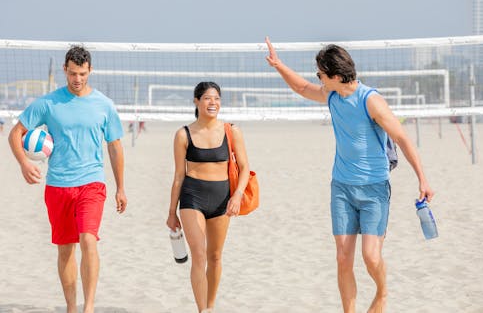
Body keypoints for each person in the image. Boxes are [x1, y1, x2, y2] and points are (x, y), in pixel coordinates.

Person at [265, 37, 434, 313]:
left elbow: (402, 138)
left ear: (335, 75)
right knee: (343, 259)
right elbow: (301, 87)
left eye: (320, 73)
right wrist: (278, 65)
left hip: (374, 189)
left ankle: (382, 292)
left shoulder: (371, 101)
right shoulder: (331, 94)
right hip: (341, 188)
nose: (317, 78)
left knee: (370, 257)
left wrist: (422, 179)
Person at [8, 45, 127, 313]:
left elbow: (115, 146)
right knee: (65, 251)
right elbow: (16, 134)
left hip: (92, 183)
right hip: (58, 186)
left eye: (83, 74)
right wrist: (24, 163)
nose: (77, 79)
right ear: (65, 70)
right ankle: (72, 307)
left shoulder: (104, 105)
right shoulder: (48, 103)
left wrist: (121, 187)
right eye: (73, 73)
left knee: (88, 239)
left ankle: (90, 307)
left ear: (90, 70)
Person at [167, 81, 251, 313]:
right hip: (192, 197)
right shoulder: (183, 134)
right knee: (199, 254)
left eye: (216, 98)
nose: (213, 103)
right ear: (196, 101)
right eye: (207, 98)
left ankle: (211, 306)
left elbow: (244, 168)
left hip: (222, 199)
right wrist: (171, 212)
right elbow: (177, 176)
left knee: (215, 257)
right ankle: (202, 309)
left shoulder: (232, 131)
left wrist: (237, 197)